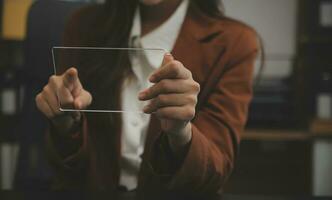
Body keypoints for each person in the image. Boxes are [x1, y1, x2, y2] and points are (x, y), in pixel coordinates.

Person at [35, 0, 259, 197]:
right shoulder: (83, 25)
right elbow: (66, 171)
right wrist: (66, 124)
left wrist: (181, 134)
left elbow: (213, 174)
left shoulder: (235, 42)